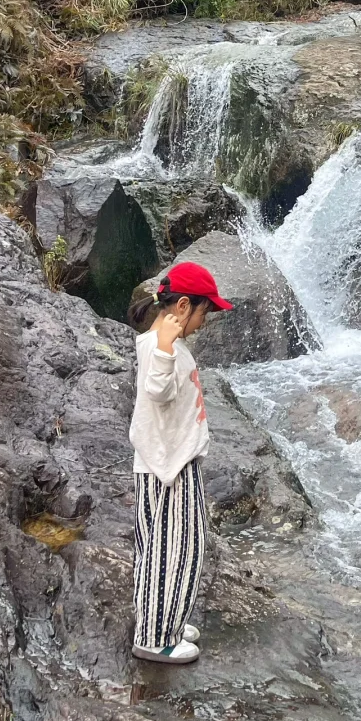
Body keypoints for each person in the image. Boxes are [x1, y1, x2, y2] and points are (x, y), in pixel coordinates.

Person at [127, 262, 233, 664]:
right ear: (184, 306)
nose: (204, 322)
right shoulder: (160, 347)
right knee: (178, 550)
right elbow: (157, 390)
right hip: (170, 467)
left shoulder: (160, 344)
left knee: (155, 545)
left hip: (163, 461)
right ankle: (155, 636)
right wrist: (168, 349)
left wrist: (170, 347)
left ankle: (158, 616)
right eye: (205, 312)